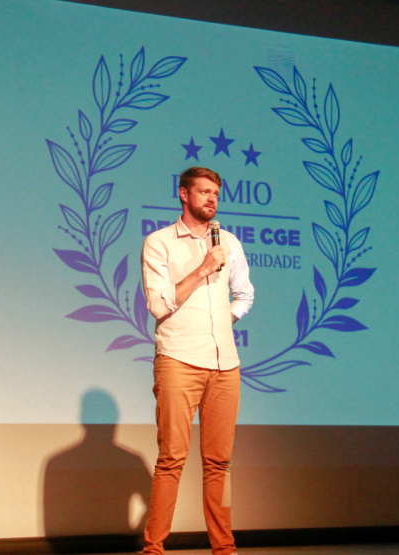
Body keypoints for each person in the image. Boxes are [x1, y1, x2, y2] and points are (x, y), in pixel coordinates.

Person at [140, 166, 255, 555]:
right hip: (178, 359)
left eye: (216, 194)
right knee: (172, 457)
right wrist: (203, 268)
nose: (211, 199)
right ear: (183, 195)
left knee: (219, 462)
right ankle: (154, 547)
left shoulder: (230, 244)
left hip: (226, 364)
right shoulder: (159, 243)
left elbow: (245, 294)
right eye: (204, 192)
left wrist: (228, 317)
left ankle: (224, 548)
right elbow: (157, 304)